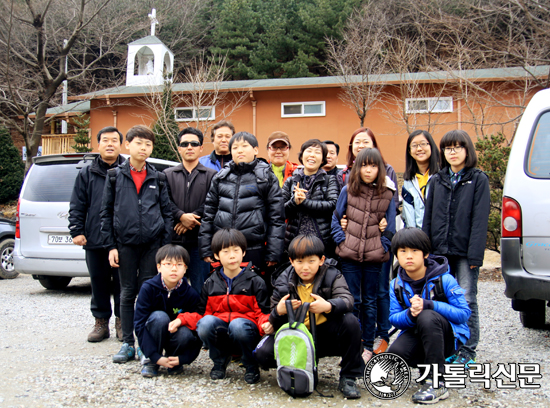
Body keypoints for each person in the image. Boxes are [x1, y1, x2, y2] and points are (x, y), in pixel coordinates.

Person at [254, 235, 363, 399]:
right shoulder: (284, 279)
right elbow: (273, 315)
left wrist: (328, 306)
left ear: (321, 260)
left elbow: (347, 300)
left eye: (311, 261)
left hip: (324, 334)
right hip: (297, 335)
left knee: (351, 322)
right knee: (262, 354)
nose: (305, 267)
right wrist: (278, 312)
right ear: (291, 261)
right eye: (299, 262)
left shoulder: (332, 274)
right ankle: (295, 369)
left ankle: (348, 377)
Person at [100, 125, 173, 364]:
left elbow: (167, 213)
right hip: (125, 245)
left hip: (152, 246)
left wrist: (164, 248)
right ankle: (127, 344)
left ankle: (144, 343)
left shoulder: (158, 177)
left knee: (147, 294)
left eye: (148, 144)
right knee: (126, 292)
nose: (143, 148)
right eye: (139, 143)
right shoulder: (114, 176)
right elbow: (106, 213)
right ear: (128, 145)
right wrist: (111, 246)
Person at [422, 130, 490, 367]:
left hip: (464, 253)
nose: (452, 152)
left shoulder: (478, 179)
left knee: (467, 299)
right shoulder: (437, 180)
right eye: (448, 148)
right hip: (440, 252)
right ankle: (449, 345)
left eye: (457, 147)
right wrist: (425, 250)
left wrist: (475, 255)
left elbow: (480, 221)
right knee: (442, 299)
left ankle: (468, 350)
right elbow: (428, 219)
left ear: (467, 150)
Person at [175, 229, 270, 384]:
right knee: (205, 324)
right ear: (217, 256)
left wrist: (266, 324)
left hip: (245, 330)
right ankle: (219, 361)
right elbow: (202, 314)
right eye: (225, 251)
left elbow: (262, 313)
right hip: (222, 331)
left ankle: (250, 364)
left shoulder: (255, 281)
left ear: (243, 252)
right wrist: (182, 319)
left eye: (236, 251)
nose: (232, 256)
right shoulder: (210, 282)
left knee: (238, 325)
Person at [388, 228, 471, 404]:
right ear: (396, 255)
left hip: (448, 336)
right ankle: (428, 369)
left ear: (425, 254)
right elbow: (394, 318)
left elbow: (464, 314)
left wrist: (430, 305)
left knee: (427, 317)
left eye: (414, 251)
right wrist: (410, 314)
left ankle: (437, 381)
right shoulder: (395, 285)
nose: (408, 256)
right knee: (396, 354)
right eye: (403, 251)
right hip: (420, 331)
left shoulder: (444, 279)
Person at [337, 127, 398, 355]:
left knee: (371, 299)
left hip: (374, 256)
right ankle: (353, 341)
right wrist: (342, 241)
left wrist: (383, 246)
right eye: (364, 165)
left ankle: (368, 344)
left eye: (373, 166)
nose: (368, 170)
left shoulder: (387, 193)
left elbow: (390, 226)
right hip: (350, 254)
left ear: (380, 168)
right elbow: (337, 219)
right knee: (354, 299)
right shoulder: (347, 190)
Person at [199, 132, 285, 287]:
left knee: (253, 292)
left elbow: (276, 218)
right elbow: (208, 215)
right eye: (235, 147)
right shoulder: (221, 177)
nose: (240, 150)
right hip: (224, 247)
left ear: (256, 150)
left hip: (254, 248)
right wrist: (206, 248)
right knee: (224, 291)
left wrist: (273, 252)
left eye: (245, 146)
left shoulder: (266, 177)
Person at [69, 126, 125, 343]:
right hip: (94, 238)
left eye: (114, 140)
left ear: (121, 145)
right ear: (98, 144)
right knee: (98, 281)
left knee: (123, 283)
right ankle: (101, 322)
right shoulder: (87, 173)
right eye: (105, 140)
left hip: (122, 239)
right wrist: (77, 230)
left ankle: (122, 321)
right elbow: (77, 204)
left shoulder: (127, 170)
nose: (110, 144)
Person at [134, 245, 202, 377]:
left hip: (175, 337)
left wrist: (185, 358)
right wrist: (154, 356)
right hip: (155, 333)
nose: (174, 269)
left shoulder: (191, 294)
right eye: (168, 264)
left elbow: (198, 327)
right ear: (159, 267)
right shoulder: (148, 289)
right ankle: (152, 362)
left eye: (179, 264)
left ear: (186, 268)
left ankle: (173, 360)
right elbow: (139, 324)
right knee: (159, 317)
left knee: (185, 332)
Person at [164, 127, 217, 294]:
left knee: (199, 287)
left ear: (201, 148)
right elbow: (164, 202)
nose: (189, 147)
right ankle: (175, 318)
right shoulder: (167, 174)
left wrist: (189, 221)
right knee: (172, 286)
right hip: (174, 240)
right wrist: (180, 216)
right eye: (184, 144)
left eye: (194, 144)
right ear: (179, 148)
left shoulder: (211, 175)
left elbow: (212, 203)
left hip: (199, 242)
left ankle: (199, 319)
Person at [282, 139, 339, 256]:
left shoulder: (329, 180)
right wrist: (294, 202)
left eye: (317, 152)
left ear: (323, 159)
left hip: (322, 241)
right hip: (295, 240)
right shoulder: (291, 180)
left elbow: (333, 205)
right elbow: (280, 210)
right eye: (309, 151)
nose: (312, 155)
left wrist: (304, 202)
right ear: (302, 156)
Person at [402, 130, 440, 229]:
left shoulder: (441, 177)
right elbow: (408, 215)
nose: (419, 149)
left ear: (431, 146)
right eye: (414, 145)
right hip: (417, 239)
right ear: (409, 151)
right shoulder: (408, 182)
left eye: (423, 144)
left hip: (439, 237)